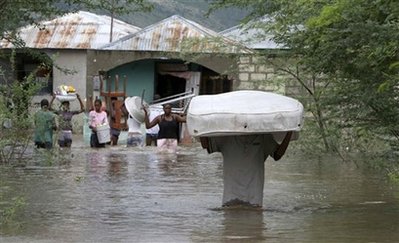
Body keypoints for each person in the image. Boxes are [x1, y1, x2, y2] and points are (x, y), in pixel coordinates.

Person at [200, 131, 293, 208]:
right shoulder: (226, 136)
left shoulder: (264, 137)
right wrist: (199, 125)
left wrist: (289, 133)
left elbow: (277, 155)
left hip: (254, 199)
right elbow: (206, 146)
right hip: (231, 198)